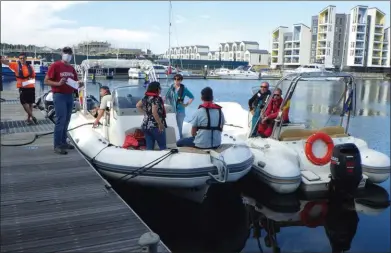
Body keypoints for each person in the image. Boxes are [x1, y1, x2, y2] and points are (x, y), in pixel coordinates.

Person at [44, 47, 84, 155]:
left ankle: (63, 141)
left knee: (67, 120)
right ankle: (57, 145)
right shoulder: (55, 66)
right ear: (62, 54)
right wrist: (58, 84)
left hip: (69, 96)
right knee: (60, 120)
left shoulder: (71, 68)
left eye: (69, 53)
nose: (68, 55)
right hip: (59, 95)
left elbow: (76, 81)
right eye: (66, 53)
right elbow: (46, 80)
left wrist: (79, 83)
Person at [1, 53, 38, 124]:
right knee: (24, 103)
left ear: (26, 58)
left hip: (29, 86)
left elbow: (33, 76)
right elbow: (5, 62)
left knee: (29, 103)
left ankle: (29, 119)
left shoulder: (30, 67)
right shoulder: (16, 65)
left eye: (23, 58)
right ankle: (32, 117)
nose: (22, 59)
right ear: (19, 59)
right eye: (20, 58)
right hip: (23, 87)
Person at [136, 81, 167, 150]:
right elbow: (154, 112)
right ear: (157, 89)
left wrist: (146, 113)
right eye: (160, 88)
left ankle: (148, 159)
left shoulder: (145, 97)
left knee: (149, 147)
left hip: (145, 125)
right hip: (155, 126)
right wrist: (160, 124)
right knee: (163, 147)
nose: (161, 89)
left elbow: (138, 105)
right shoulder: (156, 99)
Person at [167, 74, 194, 139]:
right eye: (175, 79)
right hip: (172, 110)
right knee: (172, 125)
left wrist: (186, 104)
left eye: (178, 79)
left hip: (180, 110)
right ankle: (173, 139)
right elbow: (166, 97)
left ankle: (180, 139)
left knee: (179, 126)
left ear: (181, 80)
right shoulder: (171, 88)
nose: (176, 81)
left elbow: (192, 97)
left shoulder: (184, 89)